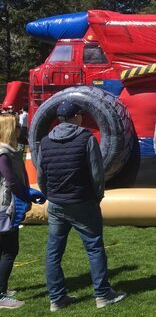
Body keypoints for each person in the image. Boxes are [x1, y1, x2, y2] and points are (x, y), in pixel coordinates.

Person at [36, 101, 127, 311]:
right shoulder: (85, 138)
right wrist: (98, 196)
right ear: (76, 117)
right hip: (82, 202)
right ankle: (102, 295)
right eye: (80, 115)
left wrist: (50, 194)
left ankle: (57, 299)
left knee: (53, 252)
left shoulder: (45, 141)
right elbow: (97, 173)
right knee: (94, 248)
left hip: (57, 203)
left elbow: (41, 175)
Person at [0, 114, 32, 309]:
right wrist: (27, 196)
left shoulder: (8, 151)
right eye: (17, 127)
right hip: (4, 208)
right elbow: (11, 181)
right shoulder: (4, 154)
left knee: (4, 249)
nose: (20, 130)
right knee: (9, 250)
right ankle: (1, 294)